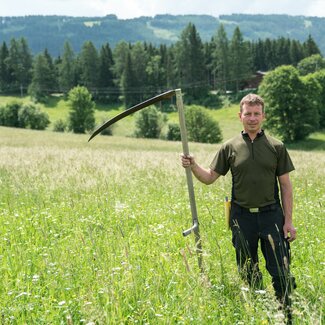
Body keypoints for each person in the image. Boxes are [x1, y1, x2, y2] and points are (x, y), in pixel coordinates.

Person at [181, 94, 296, 323]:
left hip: (272, 215)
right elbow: (209, 177)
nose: (252, 118)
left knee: (280, 271)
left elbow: (286, 186)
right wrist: (193, 165)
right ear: (240, 116)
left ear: (263, 116)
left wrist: (288, 221)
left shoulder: (276, 146)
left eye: (256, 114)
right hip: (241, 218)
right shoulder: (229, 147)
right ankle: (258, 312)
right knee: (248, 271)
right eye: (247, 114)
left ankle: (287, 315)